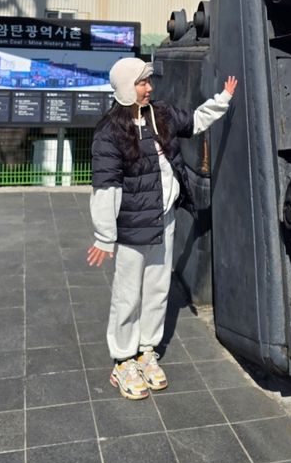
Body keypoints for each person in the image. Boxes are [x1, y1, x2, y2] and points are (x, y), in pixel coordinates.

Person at [87, 57, 237, 400]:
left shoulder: (161, 114)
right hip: (131, 228)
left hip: (164, 219)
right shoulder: (110, 130)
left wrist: (222, 100)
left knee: (157, 290)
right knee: (128, 295)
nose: (149, 88)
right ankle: (123, 361)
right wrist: (104, 235)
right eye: (142, 83)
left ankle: (146, 351)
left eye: (149, 82)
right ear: (126, 86)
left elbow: (195, 122)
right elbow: (106, 186)